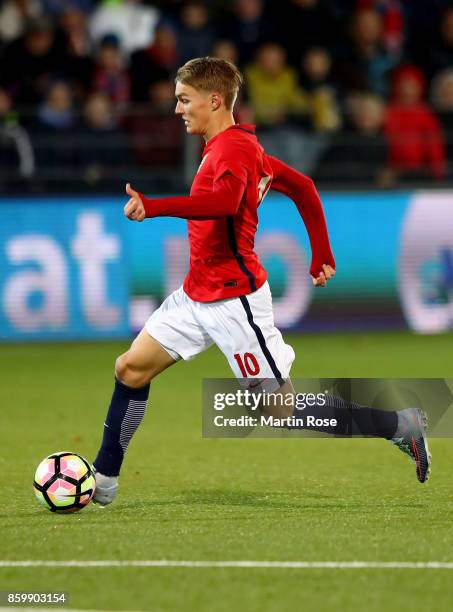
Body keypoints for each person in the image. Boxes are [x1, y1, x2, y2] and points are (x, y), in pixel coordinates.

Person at [92, 57, 431, 506]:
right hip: (195, 295)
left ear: (214, 100)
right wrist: (321, 253)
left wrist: (153, 207)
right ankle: (103, 481)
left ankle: (400, 426)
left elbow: (227, 202)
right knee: (130, 369)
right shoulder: (231, 147)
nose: (178, 109)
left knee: (279, 408)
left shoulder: (232, 150)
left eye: (184, 99)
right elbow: (304, 187)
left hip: (235, 303)